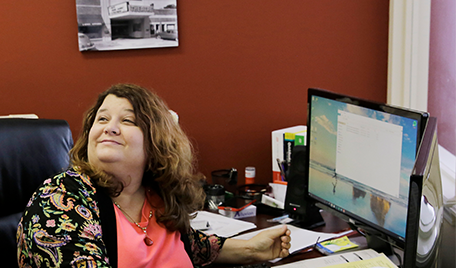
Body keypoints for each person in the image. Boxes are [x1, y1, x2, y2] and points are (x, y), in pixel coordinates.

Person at [17, 84, 291, 267]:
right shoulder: (60, 197)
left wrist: (252, 249)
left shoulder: (155, 194)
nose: (109, 128)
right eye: (101, 119)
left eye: (127, 121)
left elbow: (193, 247)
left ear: (155, 141)